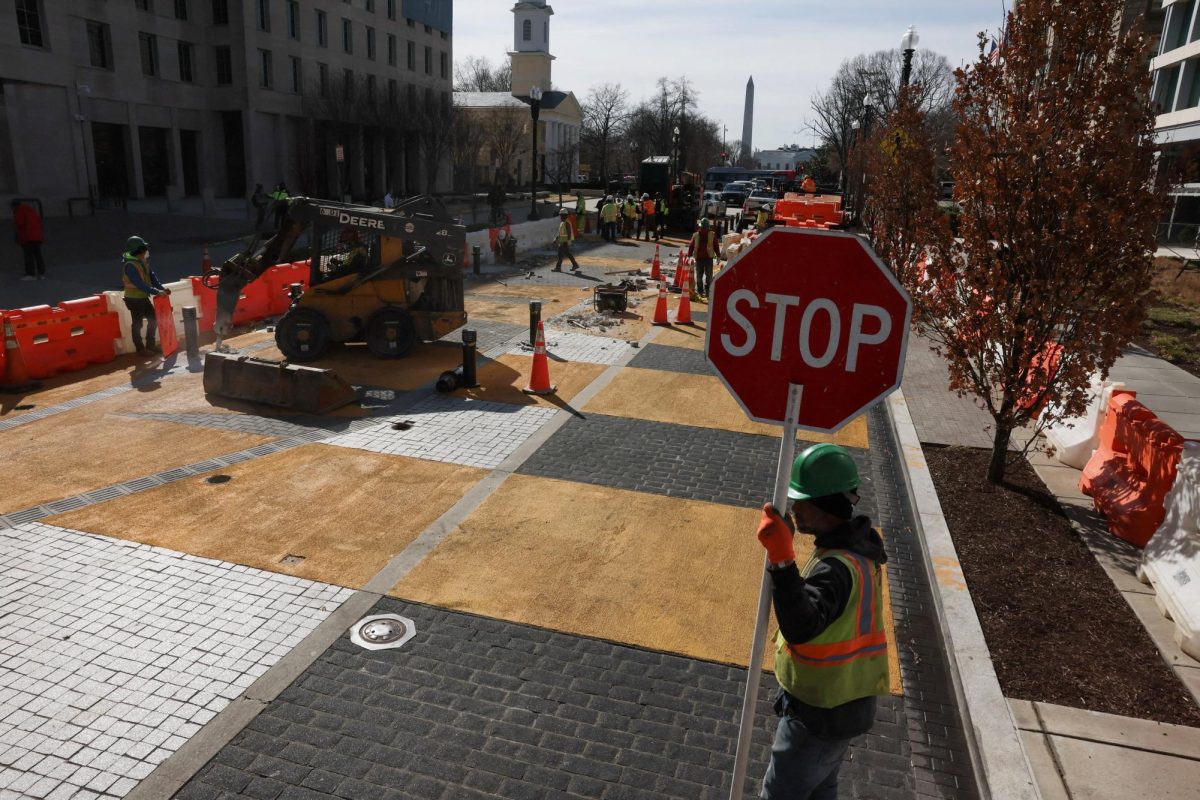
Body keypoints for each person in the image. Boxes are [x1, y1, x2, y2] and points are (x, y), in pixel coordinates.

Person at [756, 443, 889, 800]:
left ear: (825, 505)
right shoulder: (859, 549)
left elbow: (802, 626)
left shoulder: (838, 568)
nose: (795, 510)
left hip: (820, 714)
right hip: (843, 707)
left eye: (801, 502)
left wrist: (782, 560)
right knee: (819, 791)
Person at [121, 236, 170, 356]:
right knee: (137, 324)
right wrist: (157, 292)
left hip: (143, 297)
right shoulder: (130, 265)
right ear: (137, 251)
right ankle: (140, 349)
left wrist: (162, 288)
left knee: (154, 320)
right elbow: (139, 284)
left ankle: (150, 345)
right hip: (134, 299)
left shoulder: (143, 262)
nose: (146, 251)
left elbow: (153, 278)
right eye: (143, 249)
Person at [11, 199, 46, 281]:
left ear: (13, 207)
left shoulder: (19, 211)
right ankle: (41, 273)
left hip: (28, 237)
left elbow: (20, 223)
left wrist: (17, 235)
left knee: (28, 256)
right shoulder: (30, 210)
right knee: (38, 255)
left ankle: (31, 274)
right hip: (37, 236)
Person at [687, 218, 718, 297]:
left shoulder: (696, 235)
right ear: (708, 227)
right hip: (707, 259)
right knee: (708, 277)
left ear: (700, 226)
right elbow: (716, 245)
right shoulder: (711, 234)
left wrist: (689, 255)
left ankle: (700, 291)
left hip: (700, 259)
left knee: (699, 276)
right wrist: (718, 255)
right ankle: (707, 291)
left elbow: (691, 246)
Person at [552, 208, 580, 272]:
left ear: (564, 215)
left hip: (564, 242)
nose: (560, 216)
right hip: (562, 241)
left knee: (560, 255)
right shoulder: (562, 223)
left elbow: (569, 233)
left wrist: (567, 241)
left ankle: (558, 267)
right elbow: (560, 233)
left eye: (561, 215)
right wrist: (556, 239)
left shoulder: (566, 223)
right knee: (567, 254)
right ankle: (575, 264)